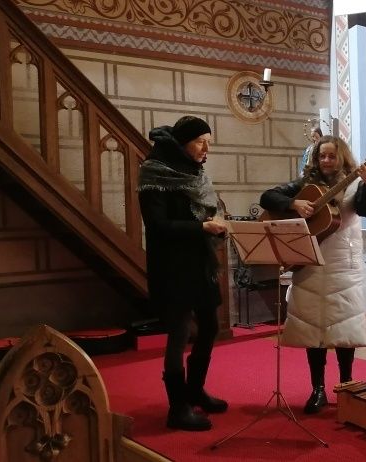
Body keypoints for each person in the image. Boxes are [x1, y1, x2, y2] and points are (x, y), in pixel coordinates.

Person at [259, 135, 366, 414]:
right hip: (310, 262)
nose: (326, 161)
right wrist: (294, 204)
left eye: (331, 156)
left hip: (343, 262)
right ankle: (318, 389)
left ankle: (347, 386)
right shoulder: (304, 185)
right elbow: (268, 197)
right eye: (321, 156)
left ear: (342, 157)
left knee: (344, 327)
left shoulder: (356, 183)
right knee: (312, 327)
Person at [138, 116, 228, 432]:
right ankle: (177, 408)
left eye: (208, 141)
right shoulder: (154, 172)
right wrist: (201, 226)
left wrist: (214, 225)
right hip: (172, 266)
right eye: (201, 141)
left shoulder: (193, 170)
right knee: (179, 334)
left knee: (210, 326)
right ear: (183, 143)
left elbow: (201, 212)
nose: (207, 149)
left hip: (199, 262)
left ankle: (194, 391)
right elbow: (157, 226)